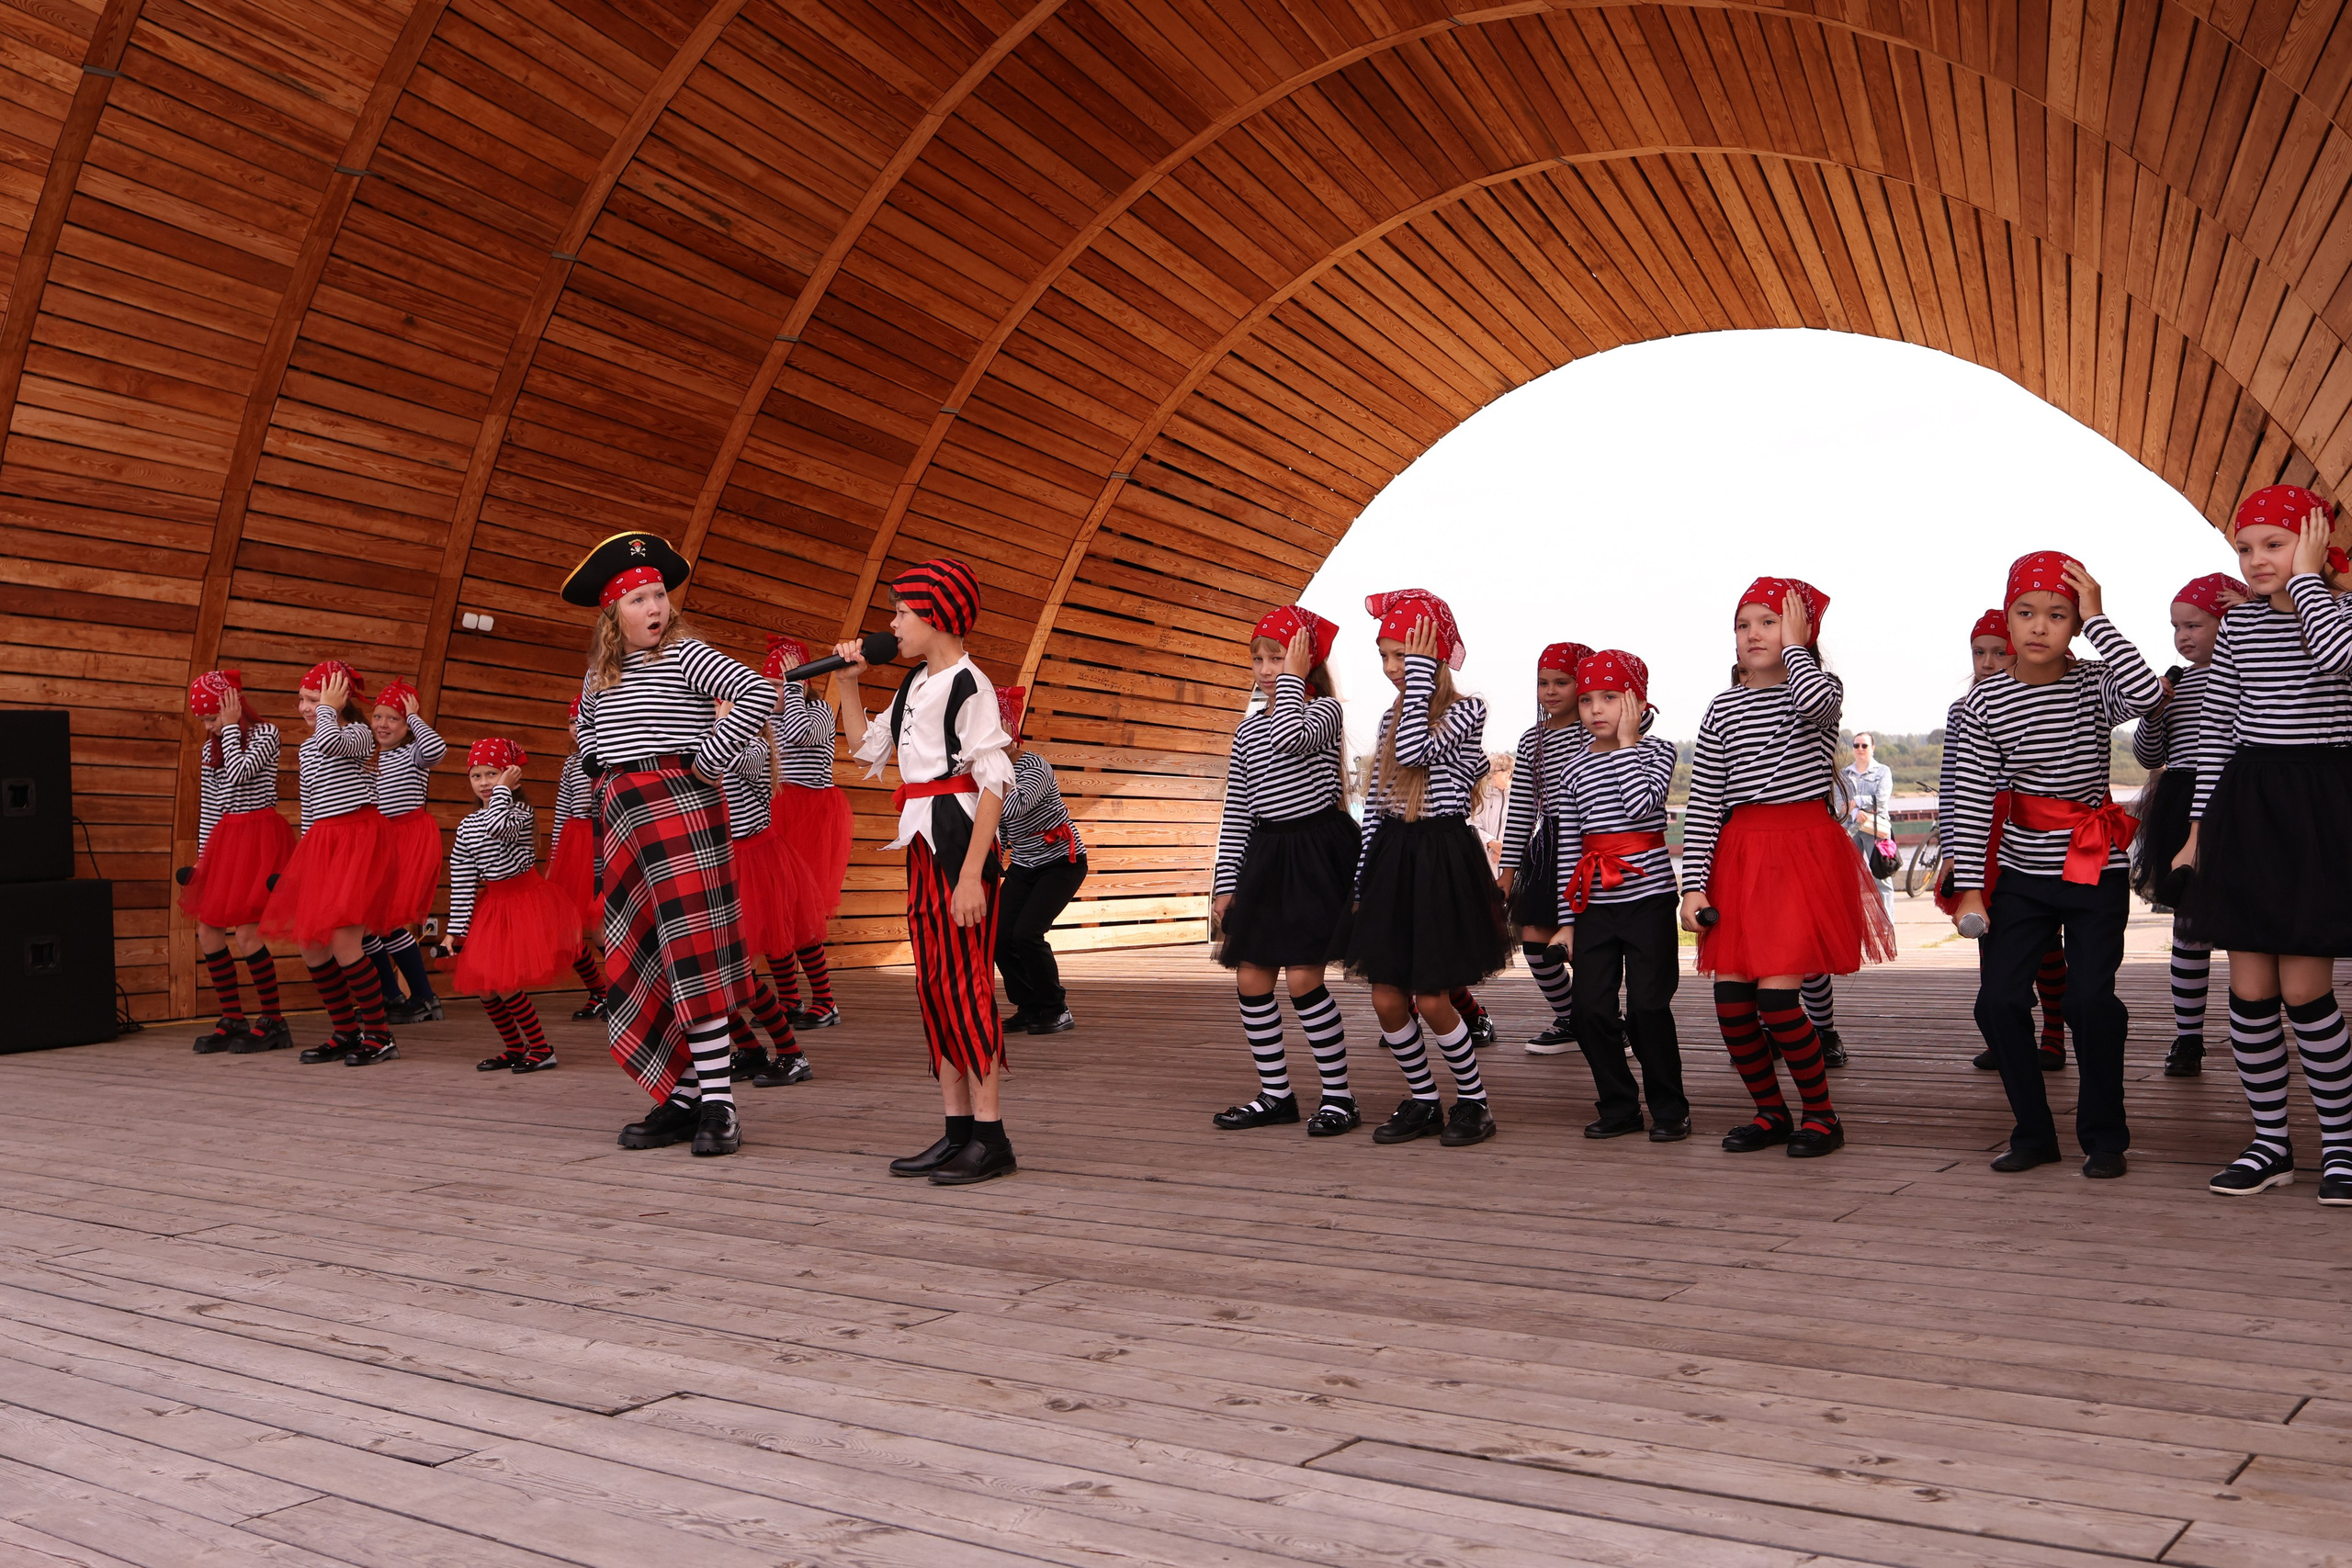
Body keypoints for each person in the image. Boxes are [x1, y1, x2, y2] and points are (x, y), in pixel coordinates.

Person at [1949, 551, 2162, 1180]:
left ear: (2075, 624)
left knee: (2091, 1000)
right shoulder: (1981, 705)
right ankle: (2034, 1133)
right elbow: (1970, 801)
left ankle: (2105, 1136)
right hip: (2020, 872)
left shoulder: (2096, 683)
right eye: (2026, 612)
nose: (2040, 626)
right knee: (1997, 1002)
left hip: (2095, 866)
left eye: (2059, 615)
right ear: (2008, 617)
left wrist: (2100, 619)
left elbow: (2149, 694)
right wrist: (1970, 889)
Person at [563, 532, 775, 1159]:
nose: (654, 607)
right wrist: (595, 758)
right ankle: (683, 1097)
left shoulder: (686, 653)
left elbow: (758, 692)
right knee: (648, 955)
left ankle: (720, 1105)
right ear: (613, 614)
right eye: (639, 599)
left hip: (682, 811)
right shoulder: (600, 673)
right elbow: (588, 736)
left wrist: (708, 760)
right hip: (626, 819)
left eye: (659, 594)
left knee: (694, 956)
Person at [2175, 486, 2352, 1205]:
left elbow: (2338, 660)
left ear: (2314, 542)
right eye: (2244, 548)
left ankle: (2342, 1146)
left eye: (2274, 544)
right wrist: (2197, 832)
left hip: (2319, 808)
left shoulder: (2340, 613)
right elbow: (2218, 730)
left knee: (2306, 989)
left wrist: (2308, 580)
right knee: (2248, 991)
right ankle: (2270, 1143)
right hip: (2247, 807)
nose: (2254, 560)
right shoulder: (2241, 626)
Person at [1681, 579, 1892, 1158]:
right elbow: (1705, 801)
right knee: (1732, 1005)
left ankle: (1822, 1115)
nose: (1753, 634)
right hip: (1741, 856)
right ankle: (1769, 1112)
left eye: (1769, 622)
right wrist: (1692, 886)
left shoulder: (1818, 690)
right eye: (1743, 624)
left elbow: (1819, 704)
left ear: (1800, 632)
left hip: (1801, 855)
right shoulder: (1721, 707)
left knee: (1778, 1003)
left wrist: (1797, 649)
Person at [834, 558, 1022, 1185]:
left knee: (967, 985)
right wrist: (849, 682)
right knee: (935, 985)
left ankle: (991, 1137)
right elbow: (864, 745)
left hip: (959, 843)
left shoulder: (972, 685)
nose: (892, 624)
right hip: (921, 839)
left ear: (936, 617)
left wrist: (970, 876)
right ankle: (957, 1130)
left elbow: (993, 781)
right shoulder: (914, 682)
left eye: (901, 612)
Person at [1345, 590, 1513, 1148]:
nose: (1393, 667)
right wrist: (1361, 880)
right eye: (1386, 656)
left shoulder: (1468, 710)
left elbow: (1416, 753)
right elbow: (1376, 804)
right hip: (1394, 859)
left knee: (1434, 997)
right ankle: (1423, 1099)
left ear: (1433, 656)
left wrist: (1420, 676)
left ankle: (1474, 1101)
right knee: (1386, 997)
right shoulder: (1390, 717)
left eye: (1405, 654)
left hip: (1441, 861)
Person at [1209, 607, 1361, 1135]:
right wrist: (1226, 883)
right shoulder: (1247, 729)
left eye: (1279, 658)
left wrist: (1295, 680)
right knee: (1251, 977)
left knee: (1302, 977)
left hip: (1315, 855)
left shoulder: (1325, 712)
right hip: (1267, 857)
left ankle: (1339, 1097)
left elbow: (1290, 739)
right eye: (1259, 660)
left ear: (1304, 663)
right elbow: (1238, 810)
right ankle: (1276, 1095)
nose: (1267, 669)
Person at [1555, 650, 1689, 1142]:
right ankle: (1619, 1105)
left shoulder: (1658, 752)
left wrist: (1628, 744)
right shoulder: (1572, 768)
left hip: (1648, 901)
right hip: (1593, 906)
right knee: (1589, 1009)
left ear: (1636, 701)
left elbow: (1640, 805)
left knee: (1647, 1008)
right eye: (1586, 699)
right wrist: (1565, 921)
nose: (1596, 709)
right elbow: (1569, 847)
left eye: (1610, 697)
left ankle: (1670, 1108)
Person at [1939, 609, 2072, 1074]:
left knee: (2045, 939)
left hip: (2028, 824)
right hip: (1981, 830)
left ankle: (2053, 1031)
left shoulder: (2041, 699)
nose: (1987, 662)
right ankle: (2005, 1035)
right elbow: (1953, 786)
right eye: (1979, 653)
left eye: (1999, 652)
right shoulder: (1962, 710)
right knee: (1989, 934)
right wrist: (1952, 850)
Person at [2131, 572, 2245, 1077]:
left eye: (2194, 625)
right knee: (2188, 923)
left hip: (2236, 798)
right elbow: (2148, 755)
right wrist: (2155, 711)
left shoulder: (2247, 670)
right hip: (2180, 799)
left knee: (2246, 921)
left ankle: (2253, 1023)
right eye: (2176, 627)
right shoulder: (2177, 682)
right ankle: (2188, 1035)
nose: (2183, 636)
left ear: (2227, 621)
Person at [260, 661, 401, 1066]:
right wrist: (303, 862)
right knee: (311, 944)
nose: (306, 707)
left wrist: (328, 708)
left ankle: (380, 1035)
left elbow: (330, 742)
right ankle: (345, 1030)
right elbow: (310, 807)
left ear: (337, 698)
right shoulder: (308, 746)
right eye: (303, 700)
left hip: (357, 841)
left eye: (313, 699)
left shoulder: (357, 733)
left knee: (343, 940)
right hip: (322, 844)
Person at [446, 739, 581, 1072]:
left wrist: (504, 790)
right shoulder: (467, 826)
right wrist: (455, 930)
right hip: (494, 906)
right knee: (484, 986)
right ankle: (514, 1047)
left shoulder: (519, 813)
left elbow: (498, 826)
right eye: (476, 776)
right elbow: (463, 880)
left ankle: (542, 1048)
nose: (484, 783)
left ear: (510, 776)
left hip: (523, 902)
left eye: (492, 774)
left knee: (504, 982)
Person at [180, 671, 295, 1055]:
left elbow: (241, 775)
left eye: (212, 718)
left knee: (247, 933)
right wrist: (203, 857)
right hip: (226, 841)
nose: (209, 727)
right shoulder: (210, 748)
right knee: (208, 930)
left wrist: (229, 728)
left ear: (232, 706)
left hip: (259, 838)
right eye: (204, 721)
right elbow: (211, 806)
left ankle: (273, 1020)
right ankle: (232, 1017)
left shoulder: (266, 734)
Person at [1498, 642, 1592, 1054]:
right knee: (1535, 942)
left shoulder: (1597, 729)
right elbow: (1521, 809)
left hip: (1593, 840)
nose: (1550, 691)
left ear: (1582, 683)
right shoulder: (1532, 739)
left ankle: (1604, 1021)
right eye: (1543, 683)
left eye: (1562, 682)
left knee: (1589, 943)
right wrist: (1507, 872)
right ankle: (1571, 1018)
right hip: (1548, 844)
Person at [715, 684, 809, 1088]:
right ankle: (751, 1051)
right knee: (715, 971)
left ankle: (792, 1054)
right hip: (723, 862)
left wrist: (722, 725)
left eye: (725, 704)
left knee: (735, 970)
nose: (718, 709)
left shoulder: (753, 749)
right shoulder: (715, 744)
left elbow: (729, 756)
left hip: (754, 863)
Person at [760, 635, 852, 1031]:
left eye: (779, 685)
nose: (774, 693)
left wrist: (795, 686)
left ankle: (825, 1001)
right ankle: (789, 999)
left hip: (810, 819)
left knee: (800, 911)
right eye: (770, 686)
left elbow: (801, 735)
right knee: (772, 909)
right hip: (773, 815)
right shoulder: (767, 717)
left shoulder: (818, 712)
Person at [993, 686, 1087, 1034]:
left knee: (1027, 933)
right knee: (999, 935)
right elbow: (1002, 827)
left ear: (1012, 730)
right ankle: (1029, 1006)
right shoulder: (991, 771)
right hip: (1025, 864)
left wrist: (992, 773)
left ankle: (1056, 1008)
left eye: (996, 729)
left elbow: (1014, 806)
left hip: (1062, 862)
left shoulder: (1034, 766)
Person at [365, 677, 446, 1024]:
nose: (383, 724)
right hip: (378, 839)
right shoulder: (367, 754)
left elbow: (436, 750)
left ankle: (421, 997)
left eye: (393, 718)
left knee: (389, 921)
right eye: (378, 716)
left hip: (408, 839)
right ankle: (394, 994)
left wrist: (415, 718)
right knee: (368, 921)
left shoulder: (413, 753)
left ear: (407, 724)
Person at [547, 694, 611, 1021]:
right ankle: (599, 990)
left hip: (602, 841)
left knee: (602, 927)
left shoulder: (613, 755)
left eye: (582, 721)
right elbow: (561, 811)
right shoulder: (571, 764)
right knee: (567, 927)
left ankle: (625, 992)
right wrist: (555, 856)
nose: (576, 727)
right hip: (574, 846)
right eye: (572, 722)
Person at [1841, 733, 1895, 919]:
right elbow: (1839, 803)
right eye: (1856, 745)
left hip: (1876, 830)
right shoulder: (1844, 774)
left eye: (1864, 745)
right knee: (1850, 877)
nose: (1860, 749)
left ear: (1873, 748)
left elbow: (1881, 799)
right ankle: (1854, 922)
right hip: (1850, 829)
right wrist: (1856, 812)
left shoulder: (1883, 772)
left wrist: (1856, 802)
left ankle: (1887, 924)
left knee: (1882, 877)